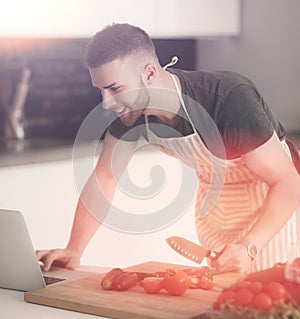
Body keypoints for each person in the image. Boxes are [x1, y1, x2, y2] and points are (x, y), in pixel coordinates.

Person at [36, 23, 300, 274]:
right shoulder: (131, 112)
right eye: (101, 90)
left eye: (115, 88)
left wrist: (248, 246)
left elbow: (287, 182)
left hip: (275, 214)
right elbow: (105, 177)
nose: (106, 103)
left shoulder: (227, 98)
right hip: (218, 216)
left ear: (149, 73)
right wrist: (74, 249)